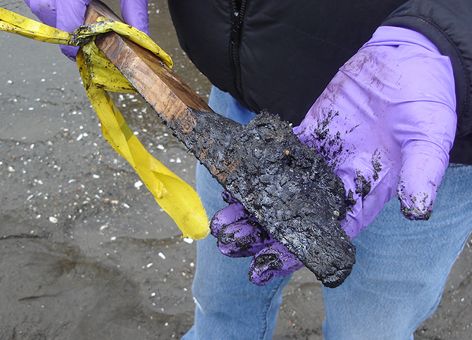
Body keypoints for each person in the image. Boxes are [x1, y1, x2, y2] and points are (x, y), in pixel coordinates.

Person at [25, 0, 472, 339]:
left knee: (373, 326)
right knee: (222, 300)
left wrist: (448, 34)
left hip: (418, 129)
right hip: (240, 103)